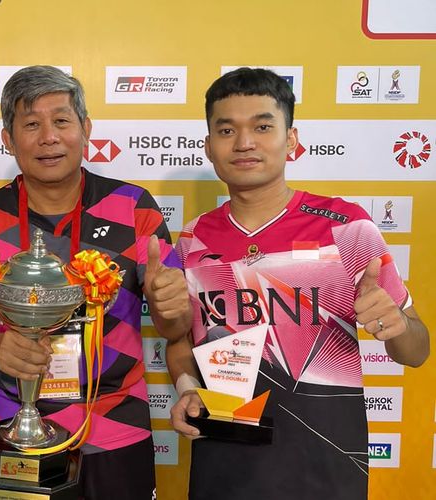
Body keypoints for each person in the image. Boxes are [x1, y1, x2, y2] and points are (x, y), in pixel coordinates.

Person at [169, 67, 430, 500]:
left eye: (263, 126)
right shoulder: (193, 238)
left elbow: (417, 352)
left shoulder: (347, 227)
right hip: (225, 460)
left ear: (291, 140)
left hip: (325, 463)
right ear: (209, 147)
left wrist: (398, 327)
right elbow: (180, 342)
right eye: (227, 129)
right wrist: (186, 387)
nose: (245, 142)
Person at [0, 65, 190, 500]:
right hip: (8, 433)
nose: (48, 137)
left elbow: (174, 329)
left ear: (85, 128)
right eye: (31, 124)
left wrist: (172, 309)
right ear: (8, 138)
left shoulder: (135, 208)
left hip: (116, 432)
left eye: (61, 121)